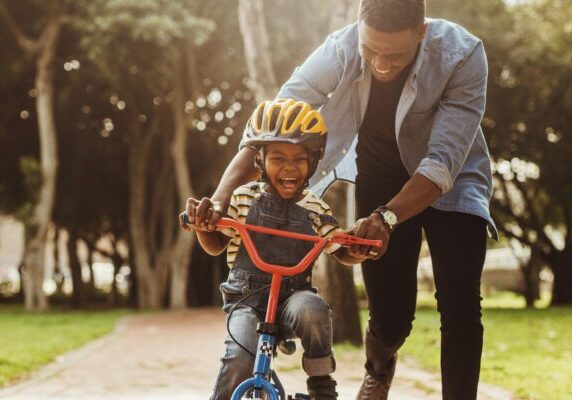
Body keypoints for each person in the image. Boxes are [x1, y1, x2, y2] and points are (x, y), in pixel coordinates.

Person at [185, 0, 498, 398]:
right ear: (358, 30)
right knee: (391, 314)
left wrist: (386, 218)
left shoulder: (464, 55)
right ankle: (380, 368)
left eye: (395, 55)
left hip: (452, 180)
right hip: (381, 175)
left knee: (460, 303)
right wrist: (222, 196)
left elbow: (441, 163)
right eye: (372, 52)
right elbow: (276, 122)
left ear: (422, 34)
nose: (381, 65)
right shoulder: (341, 48)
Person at [181, 99, 373, 400]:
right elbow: (216, 245)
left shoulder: (315, 207)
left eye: (299, 158)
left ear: (314, 160)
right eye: (278, 158)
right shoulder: (244, 198)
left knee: (313, 310)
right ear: (259, 160)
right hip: (246, 301)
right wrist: (205, 227)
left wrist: (358, 248)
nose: (289, 167)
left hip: (292, 300)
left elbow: (339, 247)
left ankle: (322, 386)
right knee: (240, 357)